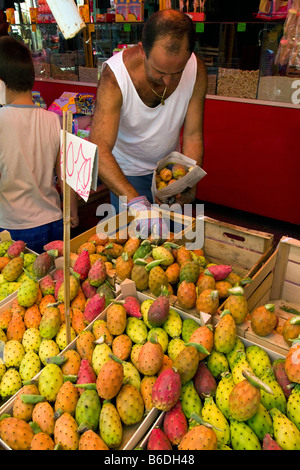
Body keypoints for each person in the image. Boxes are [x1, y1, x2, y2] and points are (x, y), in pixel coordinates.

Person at [89, 8, 207, 235]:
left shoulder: (196, 70)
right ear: (142, 50)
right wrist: (135, 201)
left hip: (171, 172)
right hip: (127, 174)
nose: (168, 80)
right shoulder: (115, 76)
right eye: (160, 71)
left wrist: (189, 179)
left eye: (177, 72)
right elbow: (99, 147)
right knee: (133, 250)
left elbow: (193, 135)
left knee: (177, 243)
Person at [0, 36, 79, 253]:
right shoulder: (53, 119)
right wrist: (72, 211)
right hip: (53, 222)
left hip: (14, 228)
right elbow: (65, 174)